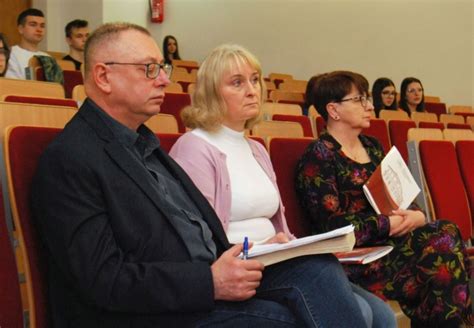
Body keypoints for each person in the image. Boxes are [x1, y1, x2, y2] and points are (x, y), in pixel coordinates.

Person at [31, 22, 366, 328]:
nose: (163, 79)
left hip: (203, 278)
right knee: (285, 320)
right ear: (104, 77)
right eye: (149, 69)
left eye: (163, 68)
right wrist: (210, 281)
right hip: (149, 311)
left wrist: (254, 256)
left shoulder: (146, 145)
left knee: (318, 269)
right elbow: (102, 279)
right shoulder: (71, 158)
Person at [169, 44, 396, 328]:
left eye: (254, 79)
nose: (252, 90)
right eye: (237, 83)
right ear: (211, 93)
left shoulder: (255, 149)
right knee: (347, 298)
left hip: (276, 261)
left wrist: (287, 244)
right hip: (241, 267)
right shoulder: (195, 148)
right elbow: (199, 240)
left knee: (382, 315)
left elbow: (280, 226)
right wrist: (267, 247)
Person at [295, 70, 472, 327]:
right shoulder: (319, 155)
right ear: (333, 110)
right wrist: (385, 224)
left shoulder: (373, 146)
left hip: (389, 243)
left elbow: (402, 197)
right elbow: (330, 228)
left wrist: (416, 215)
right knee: (442, 249)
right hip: (354, 257)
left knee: (446, 231)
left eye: (367, 98)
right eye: (359, 100)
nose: (369, 105)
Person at [5, 8, 49, 79]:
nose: (39, 29)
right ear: (20, 29)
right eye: (33, 25)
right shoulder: (10, 54)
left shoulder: (47, 57)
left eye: (42, 26)